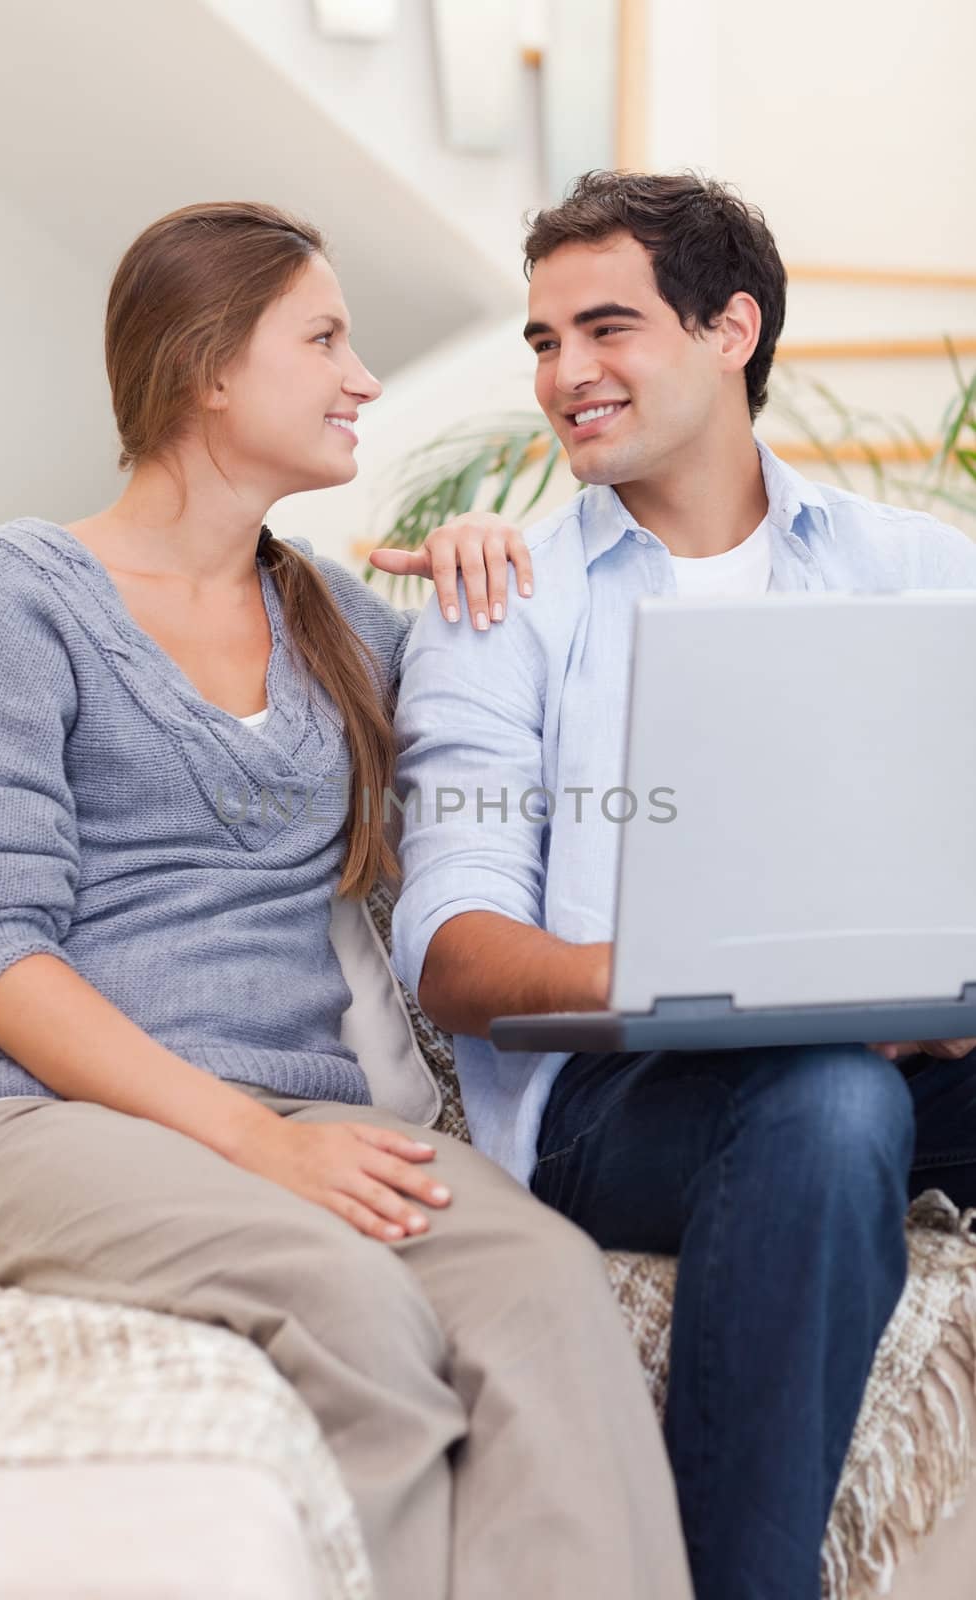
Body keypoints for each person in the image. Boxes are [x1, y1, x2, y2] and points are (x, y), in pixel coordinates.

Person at [0, 200, 693, 1600]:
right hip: (26, 1113)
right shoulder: (14, 592)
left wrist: (476, 597)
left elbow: (549, 755)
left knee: (549, 1299)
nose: (365, 378)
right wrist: (254, 1148)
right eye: (324, 338)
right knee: (346, 1304)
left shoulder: (343, 625)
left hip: (308, 1113)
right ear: (208, 365)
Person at [389, 169, 976, 1600]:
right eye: (541, 342)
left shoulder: (919, 572)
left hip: (905, 1054)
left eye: (606, 328)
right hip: (620, 1105)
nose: (565, 375)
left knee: (853, 1072)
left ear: (731, 330)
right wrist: (725, 977)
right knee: (832, 1099)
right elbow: (455, 955)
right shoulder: (504, 598)